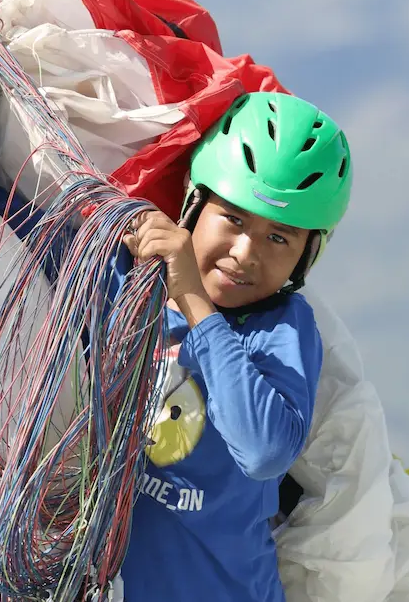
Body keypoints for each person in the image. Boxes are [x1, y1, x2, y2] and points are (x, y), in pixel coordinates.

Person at [118, 91, 353, 602]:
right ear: (193, 202)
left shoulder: (282, 330)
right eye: (235, 219)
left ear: (306, 256)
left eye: (279, 239)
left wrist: (193, 301)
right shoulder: (125, 280)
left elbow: (264, 450)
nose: (245, 253)